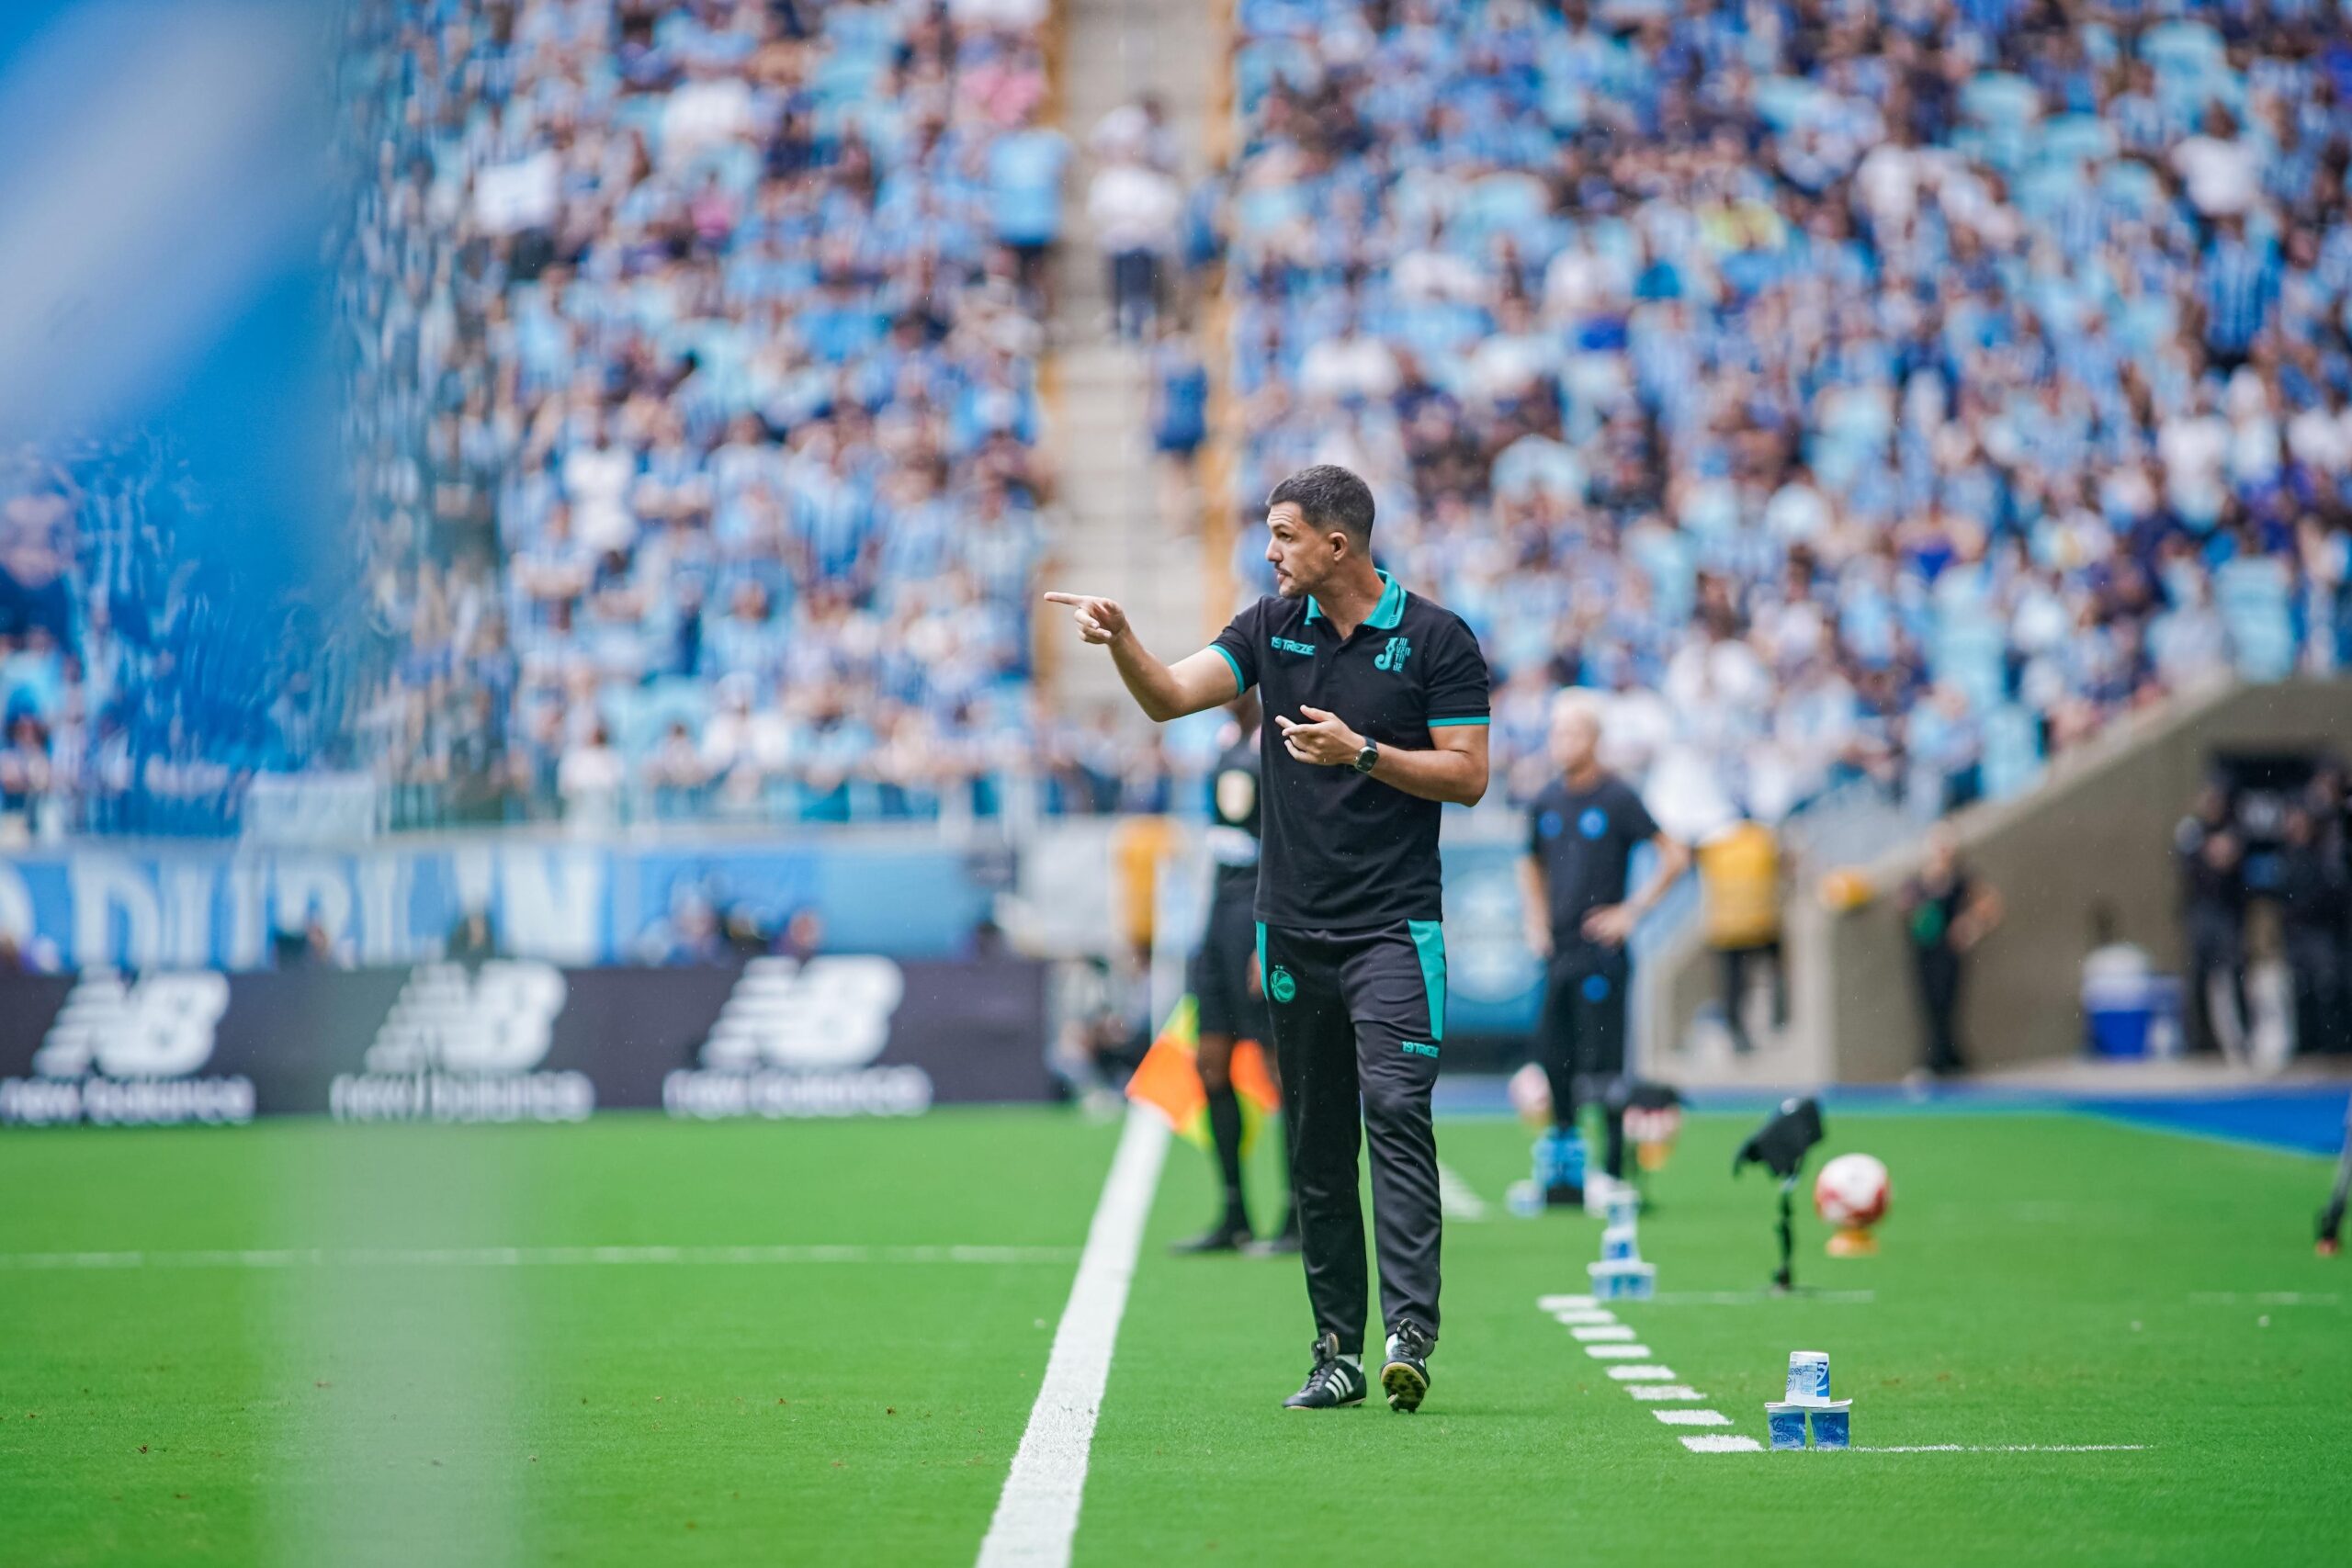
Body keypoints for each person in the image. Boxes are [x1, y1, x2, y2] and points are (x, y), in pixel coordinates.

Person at [1044, 463, 1490, 1414]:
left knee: (1395, 1112)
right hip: (1291, 932)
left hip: (1394, 929)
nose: (1269, 549)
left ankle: (1411, 1329)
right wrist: (1123, 641)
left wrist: (1361, 753)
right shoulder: (1266, 626)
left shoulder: (1436, 640)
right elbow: (1167, 697)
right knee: (1317, 1146)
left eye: (1283, 534)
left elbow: (1467, 775)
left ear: (1338, 544)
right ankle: (1336, 1350)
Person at [1518, 693, 1688, 1205]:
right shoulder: (1546, 800)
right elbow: (1529, 862)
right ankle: (1565, 1172)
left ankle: (1612, 1171)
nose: (1562, 742)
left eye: (1572, 733)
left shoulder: (1617, 798)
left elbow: (1675, 856)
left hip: (1602, 951)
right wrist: (1536, 919)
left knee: (1606, 1061)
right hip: (1559, 950)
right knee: (1555, 1057)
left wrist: (1630, 912)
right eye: (1557, 733)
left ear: (1593, 739)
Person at [1171, 691, 1297, 1255]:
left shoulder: (1280, 738)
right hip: (1219, 913)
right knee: (1211, 1063)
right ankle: (1234, 1212)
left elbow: (1289, 842)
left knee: (1280, 1069)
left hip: (1259, 912)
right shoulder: (1223, 742)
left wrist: (1272, 933)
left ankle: (1300, 1212)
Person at [1896, 826, 2003, 1077]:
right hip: (1925, 954)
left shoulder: (1962, 878)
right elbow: (1905, 906)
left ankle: (1947, 1059)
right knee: (1929, 1006)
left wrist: (1971, 926)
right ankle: (1937, 1058)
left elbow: (1990, 905)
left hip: (1950, 954)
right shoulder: (1919, 880)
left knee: (1948, 1005)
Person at [1696, 812, 1785, 1055]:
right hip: (1759, 920)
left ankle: (1740, 1029)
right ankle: (1776, 1018)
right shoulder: (1762, 838)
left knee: (1734, 984)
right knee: (1769, 971)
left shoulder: (1714, 844)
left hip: (1728, 926)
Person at [2175, 786, 2249, 1060]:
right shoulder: (2191, 830)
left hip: (2227, 914)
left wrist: (2225, 853)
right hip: (2201, 913)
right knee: (2198, 978)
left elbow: (2233, 859)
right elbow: (2191, 862)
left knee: (2236, 974)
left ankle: (2244, 1037)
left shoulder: (2234, 829)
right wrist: (2212, 853)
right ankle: (2200, 1041)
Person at [2275, 807, 2349, 1058]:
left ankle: (2334, 1041)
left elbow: (2331, 893)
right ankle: (2305, 1041)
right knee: (2300, 987)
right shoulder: (2287, 856)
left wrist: (2306, 909)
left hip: (2320, 932)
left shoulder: (2322, 854)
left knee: (2326, 986)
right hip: (2297, 934)